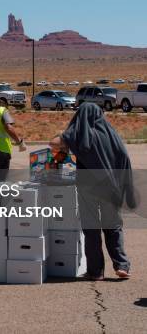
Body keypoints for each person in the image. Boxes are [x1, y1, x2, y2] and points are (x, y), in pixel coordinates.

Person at [49, 103, 136, 280]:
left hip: (88, 187)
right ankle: (122, 266)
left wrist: (64, 134)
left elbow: (53, 144)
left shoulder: (80, 134)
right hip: (111, 187)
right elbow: (124, 158)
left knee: (91, 228)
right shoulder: (111, 134)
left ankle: (96, 272)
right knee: (113, 227)